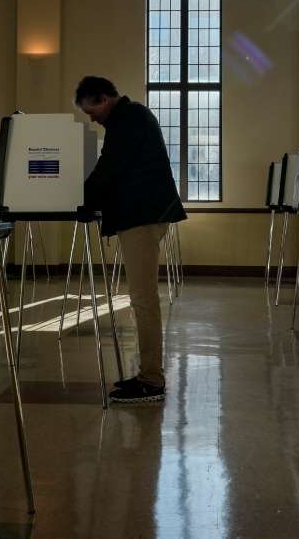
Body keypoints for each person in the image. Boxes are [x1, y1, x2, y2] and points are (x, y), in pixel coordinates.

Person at [75, 76, 186, 403]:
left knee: (143, 298)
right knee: (143, 297)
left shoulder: (129, 119)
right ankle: (148, 374)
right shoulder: (130, 117)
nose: (90, 117)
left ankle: (152, 379)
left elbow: (110, 169)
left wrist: (79, 199)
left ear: (105, 98)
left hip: (142, 216)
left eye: (91, 109)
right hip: (144, 214)